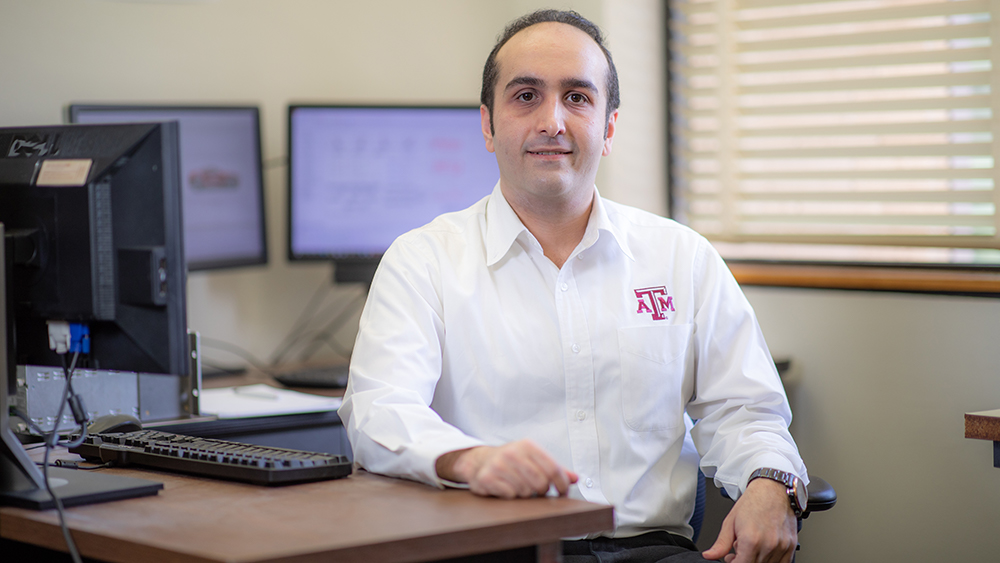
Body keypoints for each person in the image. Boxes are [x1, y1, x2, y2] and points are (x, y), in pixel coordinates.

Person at [339, 9, 808, 563]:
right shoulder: (422, 261)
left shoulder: (681, 257)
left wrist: (770, 482)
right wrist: (468, 459)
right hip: (494, 549)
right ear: (488, 126)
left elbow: (745, 411)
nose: (552, 121)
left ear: (609, 127)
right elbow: (378, 410)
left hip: (651, 551)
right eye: (526, 96)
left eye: (578, 98)